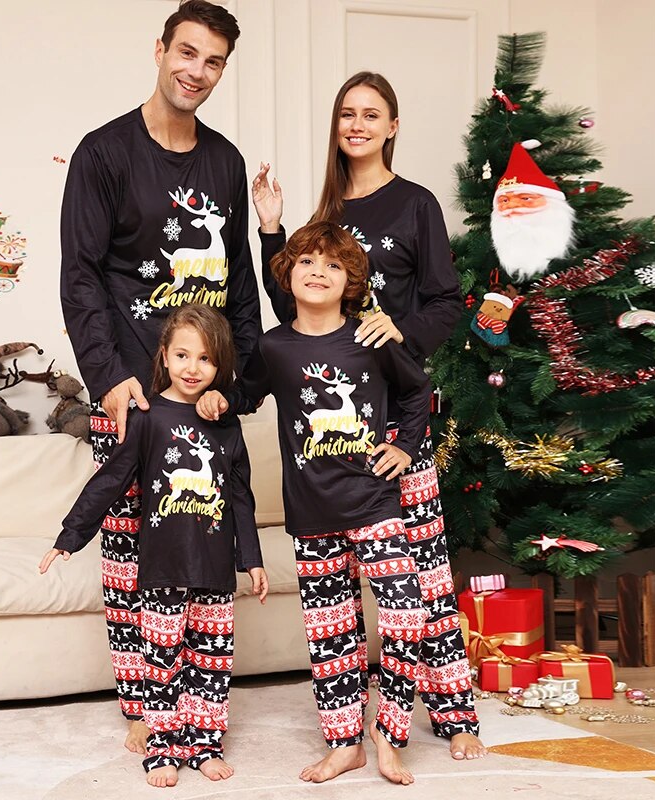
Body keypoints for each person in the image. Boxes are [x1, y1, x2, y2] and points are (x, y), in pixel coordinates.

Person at [251, 71, 485, 760]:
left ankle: (455, 715)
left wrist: (396, 337)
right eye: (347, 113)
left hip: (395, 419)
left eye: (371, 114)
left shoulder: (415, 205)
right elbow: (294, 317)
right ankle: (348, 730)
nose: (357, 124)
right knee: (341, 598)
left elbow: (446, 302)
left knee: (424, 583)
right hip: (335, 437)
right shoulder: (326, 213)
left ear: (392, 126)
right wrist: (271, 231)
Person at [59, 0, 261, 753]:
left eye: (212, 61)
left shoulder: (227, 162)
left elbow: (240, 288)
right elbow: (79, 276)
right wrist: (108, 377)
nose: (196, 71)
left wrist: (234, 391)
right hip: (132, 393)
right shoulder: (103, 153)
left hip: (205, 400)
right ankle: (145, 713)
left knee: (201, 559)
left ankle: (199, 712)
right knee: (128, 564)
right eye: (187, 53)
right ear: (160, 50)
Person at [198, 222, 432, 785]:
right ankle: (345, 742)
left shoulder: (373, 336)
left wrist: (403, 445)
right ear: (289, 274)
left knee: (406, 622)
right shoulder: (274, 347)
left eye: (333, 264)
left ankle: (389, 734)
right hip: (311, 516)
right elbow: (247, 393)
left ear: (352, 280)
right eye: (307, 262)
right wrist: (215, 397)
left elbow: (417, 393)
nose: (319, 272)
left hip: (376, 504)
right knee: (331, 639)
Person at [40, 304, 268, 788]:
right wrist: (70, 536)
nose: (192, 368)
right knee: (160, 661)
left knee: (212, 663)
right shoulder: (145, 417)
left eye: (205, 360)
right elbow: (110, 482)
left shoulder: (227, 425)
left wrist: (251, 559)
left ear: (221, 369)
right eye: (183, 355)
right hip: (161, 567)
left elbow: (241, 497)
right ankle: (162, 747)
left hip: (214, 569)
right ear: (163, 356)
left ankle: (204, 744)